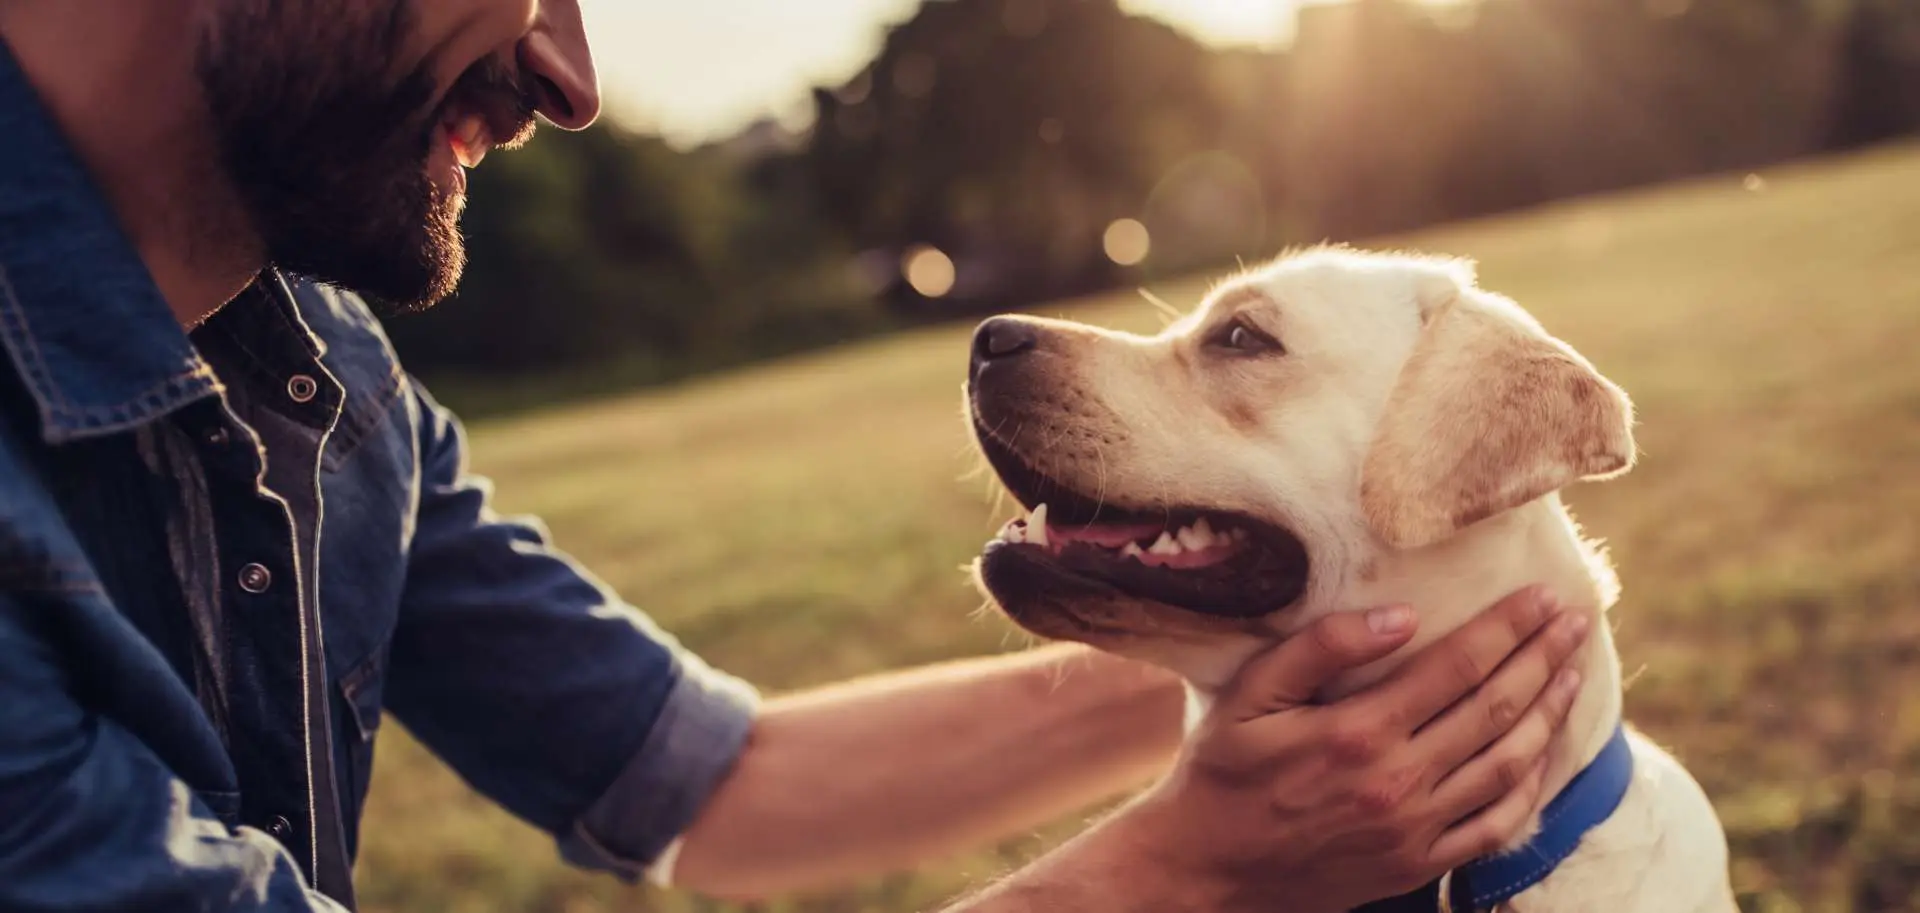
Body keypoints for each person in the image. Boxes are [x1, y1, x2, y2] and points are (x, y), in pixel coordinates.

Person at [0, 3, 1592, 912]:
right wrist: (1176, 873)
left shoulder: (324, 378)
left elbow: (718, 781)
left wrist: (1346, 646)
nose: (568, 77)